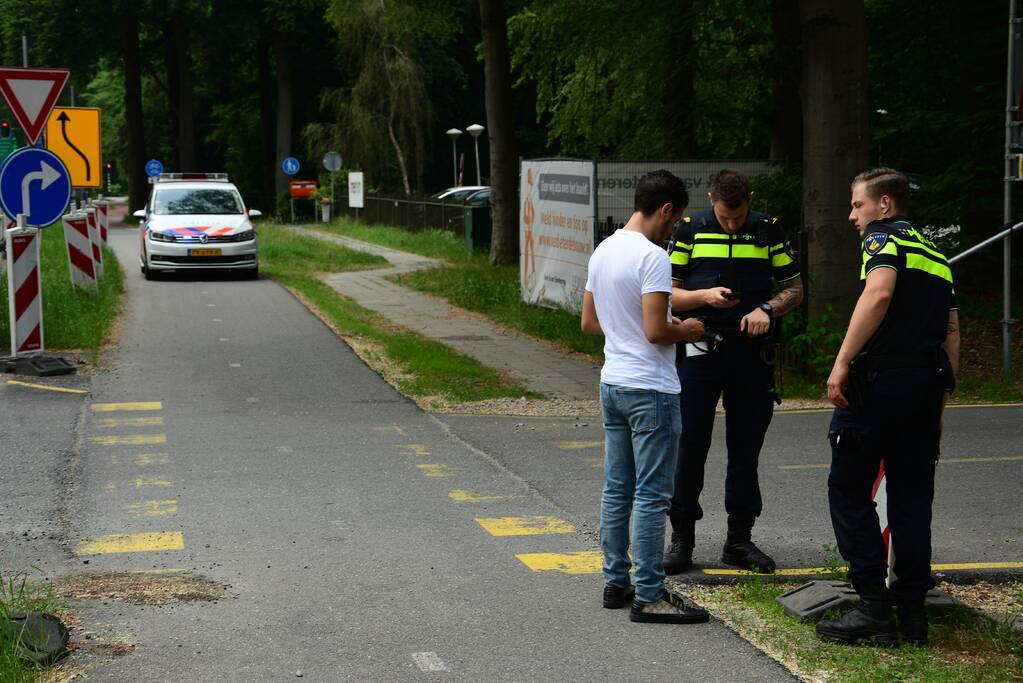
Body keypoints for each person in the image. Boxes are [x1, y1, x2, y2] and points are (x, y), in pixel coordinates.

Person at [816, 168, 958, 646]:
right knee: (912, 498)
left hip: (879, 384)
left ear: (885, 205)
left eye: (858, 205)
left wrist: (841, 362)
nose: (852, 215)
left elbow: (878, 294)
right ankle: (912, 612)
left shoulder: (882, 239)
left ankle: (874, 609)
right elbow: (952, 331)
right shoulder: (936, 252)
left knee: (848, 488)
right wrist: (940, 402)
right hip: (924, 386)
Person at [581, 169, 709, 624]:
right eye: (675, 223)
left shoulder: (604, 249)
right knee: (653, 497)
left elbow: (590, 323)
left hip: (612, 380)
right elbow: (657, 331)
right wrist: (689, 329)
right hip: (651, 388)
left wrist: (626, 332)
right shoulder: (653, 257)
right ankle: (650, 594)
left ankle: (616, 583)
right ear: (666, 210)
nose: (674, 230)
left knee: (617, 489)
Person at [662, 169, 804, 575]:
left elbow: (794, 289)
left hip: (750, 351)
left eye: (739, 215)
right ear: (711, 199)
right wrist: (704, 295)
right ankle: (682, 538)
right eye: (725, 216)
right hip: (699, 344)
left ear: (750, 200)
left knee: (745, 449)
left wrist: (767, 309)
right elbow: (667, 292)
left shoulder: (768, 229)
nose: (732, 222)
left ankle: (738, 540)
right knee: (690, 444)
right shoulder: (689, 230)